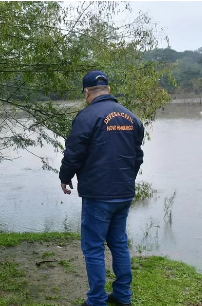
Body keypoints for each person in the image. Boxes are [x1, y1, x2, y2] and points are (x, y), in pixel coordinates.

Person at [59, 71, 144, 306]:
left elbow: (73, 153)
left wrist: (65, 177)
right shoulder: (131, 117)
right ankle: (123, 296)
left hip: (98, 195)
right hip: (124, 193)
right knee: (118, 242)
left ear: (87, 92)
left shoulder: (87, 117)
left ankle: (96, 300)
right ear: (107, 89)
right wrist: (127, 180)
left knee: (94, 246)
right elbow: (138, 156)